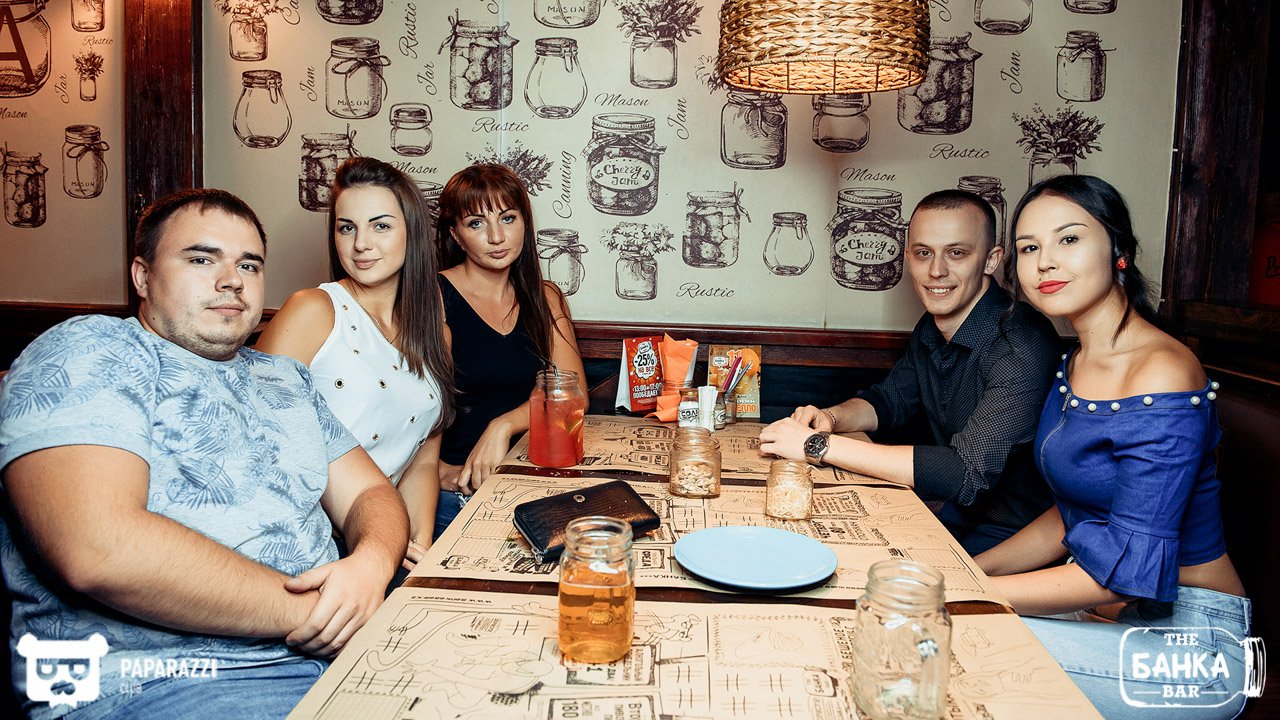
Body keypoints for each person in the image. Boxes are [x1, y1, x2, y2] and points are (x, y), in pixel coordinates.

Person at [0, 189, 407, 720]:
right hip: (162, 680)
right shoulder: (92, 348)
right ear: (143, 276)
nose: (232, 280)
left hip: (337, 655)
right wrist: (320, 615)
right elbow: (99, 549)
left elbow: (370, 491)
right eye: (201, 259)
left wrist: (372, 564)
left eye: (249, 265)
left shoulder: (283, 376)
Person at [975, 175, 1249, 718]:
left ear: (1118, 249)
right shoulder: (1077, 360)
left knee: (943, 634)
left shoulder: (1162, 371)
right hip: (1121, 615)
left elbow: (1122, 572)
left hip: (1197, 646)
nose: (1045, 262)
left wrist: (964, 595)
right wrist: (968, 571)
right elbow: (1071, 516)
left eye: (1069, 239)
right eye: (1029, 248)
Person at [760, 189, 1061, 554]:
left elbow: (964, 472)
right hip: (951, 515)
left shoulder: (1022, 342)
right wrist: (831, 417)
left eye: (956, 253)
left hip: (1012, 540)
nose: (936, 271)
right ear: (908, 258)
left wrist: (816, 445)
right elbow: (889, 401)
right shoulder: (933, 324)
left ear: (991, 260)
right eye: (923, 253)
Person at [257, 157, 453, 567]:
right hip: (305, 541)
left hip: (384, 538)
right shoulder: (312, 310)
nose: (361, 243)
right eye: (347, 227)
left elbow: (422, 461)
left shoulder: (434, 332)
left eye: (380, 226)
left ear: (412, 232)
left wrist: (417, 548)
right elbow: (253, 442)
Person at [432, 163, 585, 537]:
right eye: (476, 223)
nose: (497, 236)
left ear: (524, 223)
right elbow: (409, 412)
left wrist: (502, 425)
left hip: (532, 480)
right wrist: (438, 473)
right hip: (461, 492)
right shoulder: (433, 296)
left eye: (508, 218)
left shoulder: (545, 296)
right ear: (456, 234)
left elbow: (576, 393)